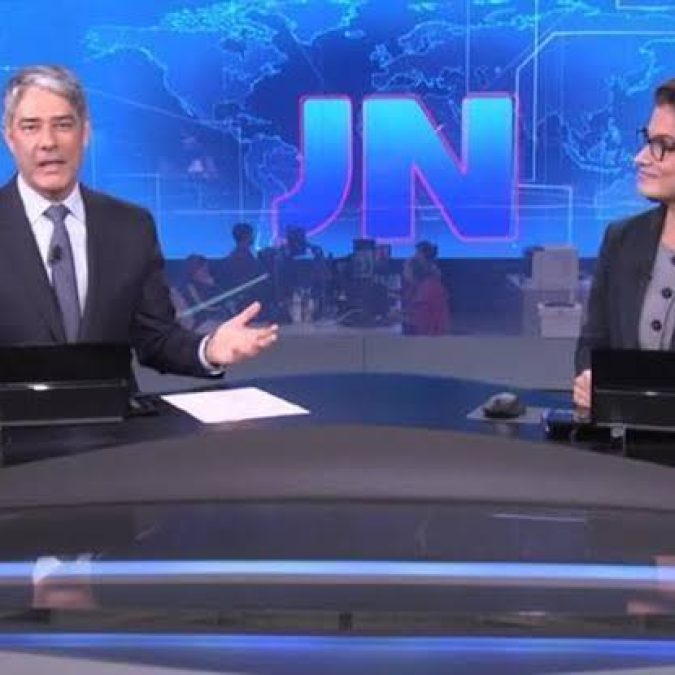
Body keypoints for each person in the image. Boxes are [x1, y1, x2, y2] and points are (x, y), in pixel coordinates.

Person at [0, 64, 277, 375]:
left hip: (114, 406)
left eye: (63, 125)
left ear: (85, 133)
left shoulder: (131, 226)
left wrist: (208, 350)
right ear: (10, 137)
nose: (48, 142)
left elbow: (156, 339)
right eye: (31, 127)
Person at [574, 77, 675, 408]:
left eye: (664, 145)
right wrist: (591, 381)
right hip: (625, 438)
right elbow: (592, 344)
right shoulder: (622, 239)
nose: (640, 158)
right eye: (647, 140)